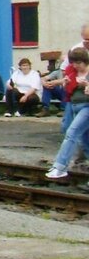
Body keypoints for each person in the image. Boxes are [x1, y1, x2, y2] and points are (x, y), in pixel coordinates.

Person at [46, 47, 89, 180]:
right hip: (74, 106)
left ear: (85, 61)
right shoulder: (73, 72)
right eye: (74, 63)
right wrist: (62, 83)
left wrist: (87, 86)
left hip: (87, 107)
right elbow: (66, 82)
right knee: (85, 141)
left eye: (79, 63)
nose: (76, 66)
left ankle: (60, 166)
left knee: (72, 133)